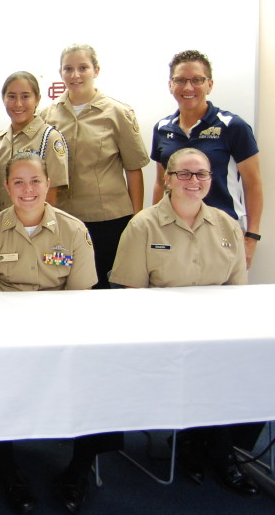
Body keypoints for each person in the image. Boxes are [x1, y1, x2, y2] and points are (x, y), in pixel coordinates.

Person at [111, 148, 258, 499]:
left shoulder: (226, 225)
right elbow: (131, 296)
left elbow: (236, 292)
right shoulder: (143, 225)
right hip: (161, 336)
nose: (194, 182)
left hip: (215, 333)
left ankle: (211, 442)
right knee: (209, 370)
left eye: (202, 175)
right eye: (185, 174)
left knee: (254, 366)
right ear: (167, 180)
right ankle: (215, 451)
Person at [0, 152, 96, 514]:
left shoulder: (74, 231)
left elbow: (79, 301)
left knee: (99, 378)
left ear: (48, 184)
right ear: (6, 187)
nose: (27, 189)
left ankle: (77, 473)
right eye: (18, 182)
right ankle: (10, 473)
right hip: (6, 337)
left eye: (35, 181)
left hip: (62, 334)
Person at [40, 44, 150, 289]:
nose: (75, 75)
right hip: (64, 219)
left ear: (96, 70)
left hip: (109, 221)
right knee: (66, 287)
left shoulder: (118, 113)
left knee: (105, 289)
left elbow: (134, 169)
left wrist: (136, 221)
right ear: (60, 73)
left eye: (83, 68)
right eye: (68, 69)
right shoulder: (46, 116)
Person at [150, 49, 262, 268]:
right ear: (170, 85)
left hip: (223, 231)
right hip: (174, 232)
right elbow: (159, 182)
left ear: (210, 85)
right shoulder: (162, 128)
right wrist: (154, 227)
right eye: (180, 80)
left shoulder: (232, 126)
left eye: (197, 80)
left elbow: (254, 183)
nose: (188, 87)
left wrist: (252, 238)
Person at [0, 71, 68, 213]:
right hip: (0, 228)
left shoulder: (49, 138)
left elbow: (51, 198)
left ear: (37, 100)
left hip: (35, 227)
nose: (18, 104)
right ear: (3, 99)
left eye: (25, 96)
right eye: (11, 96)